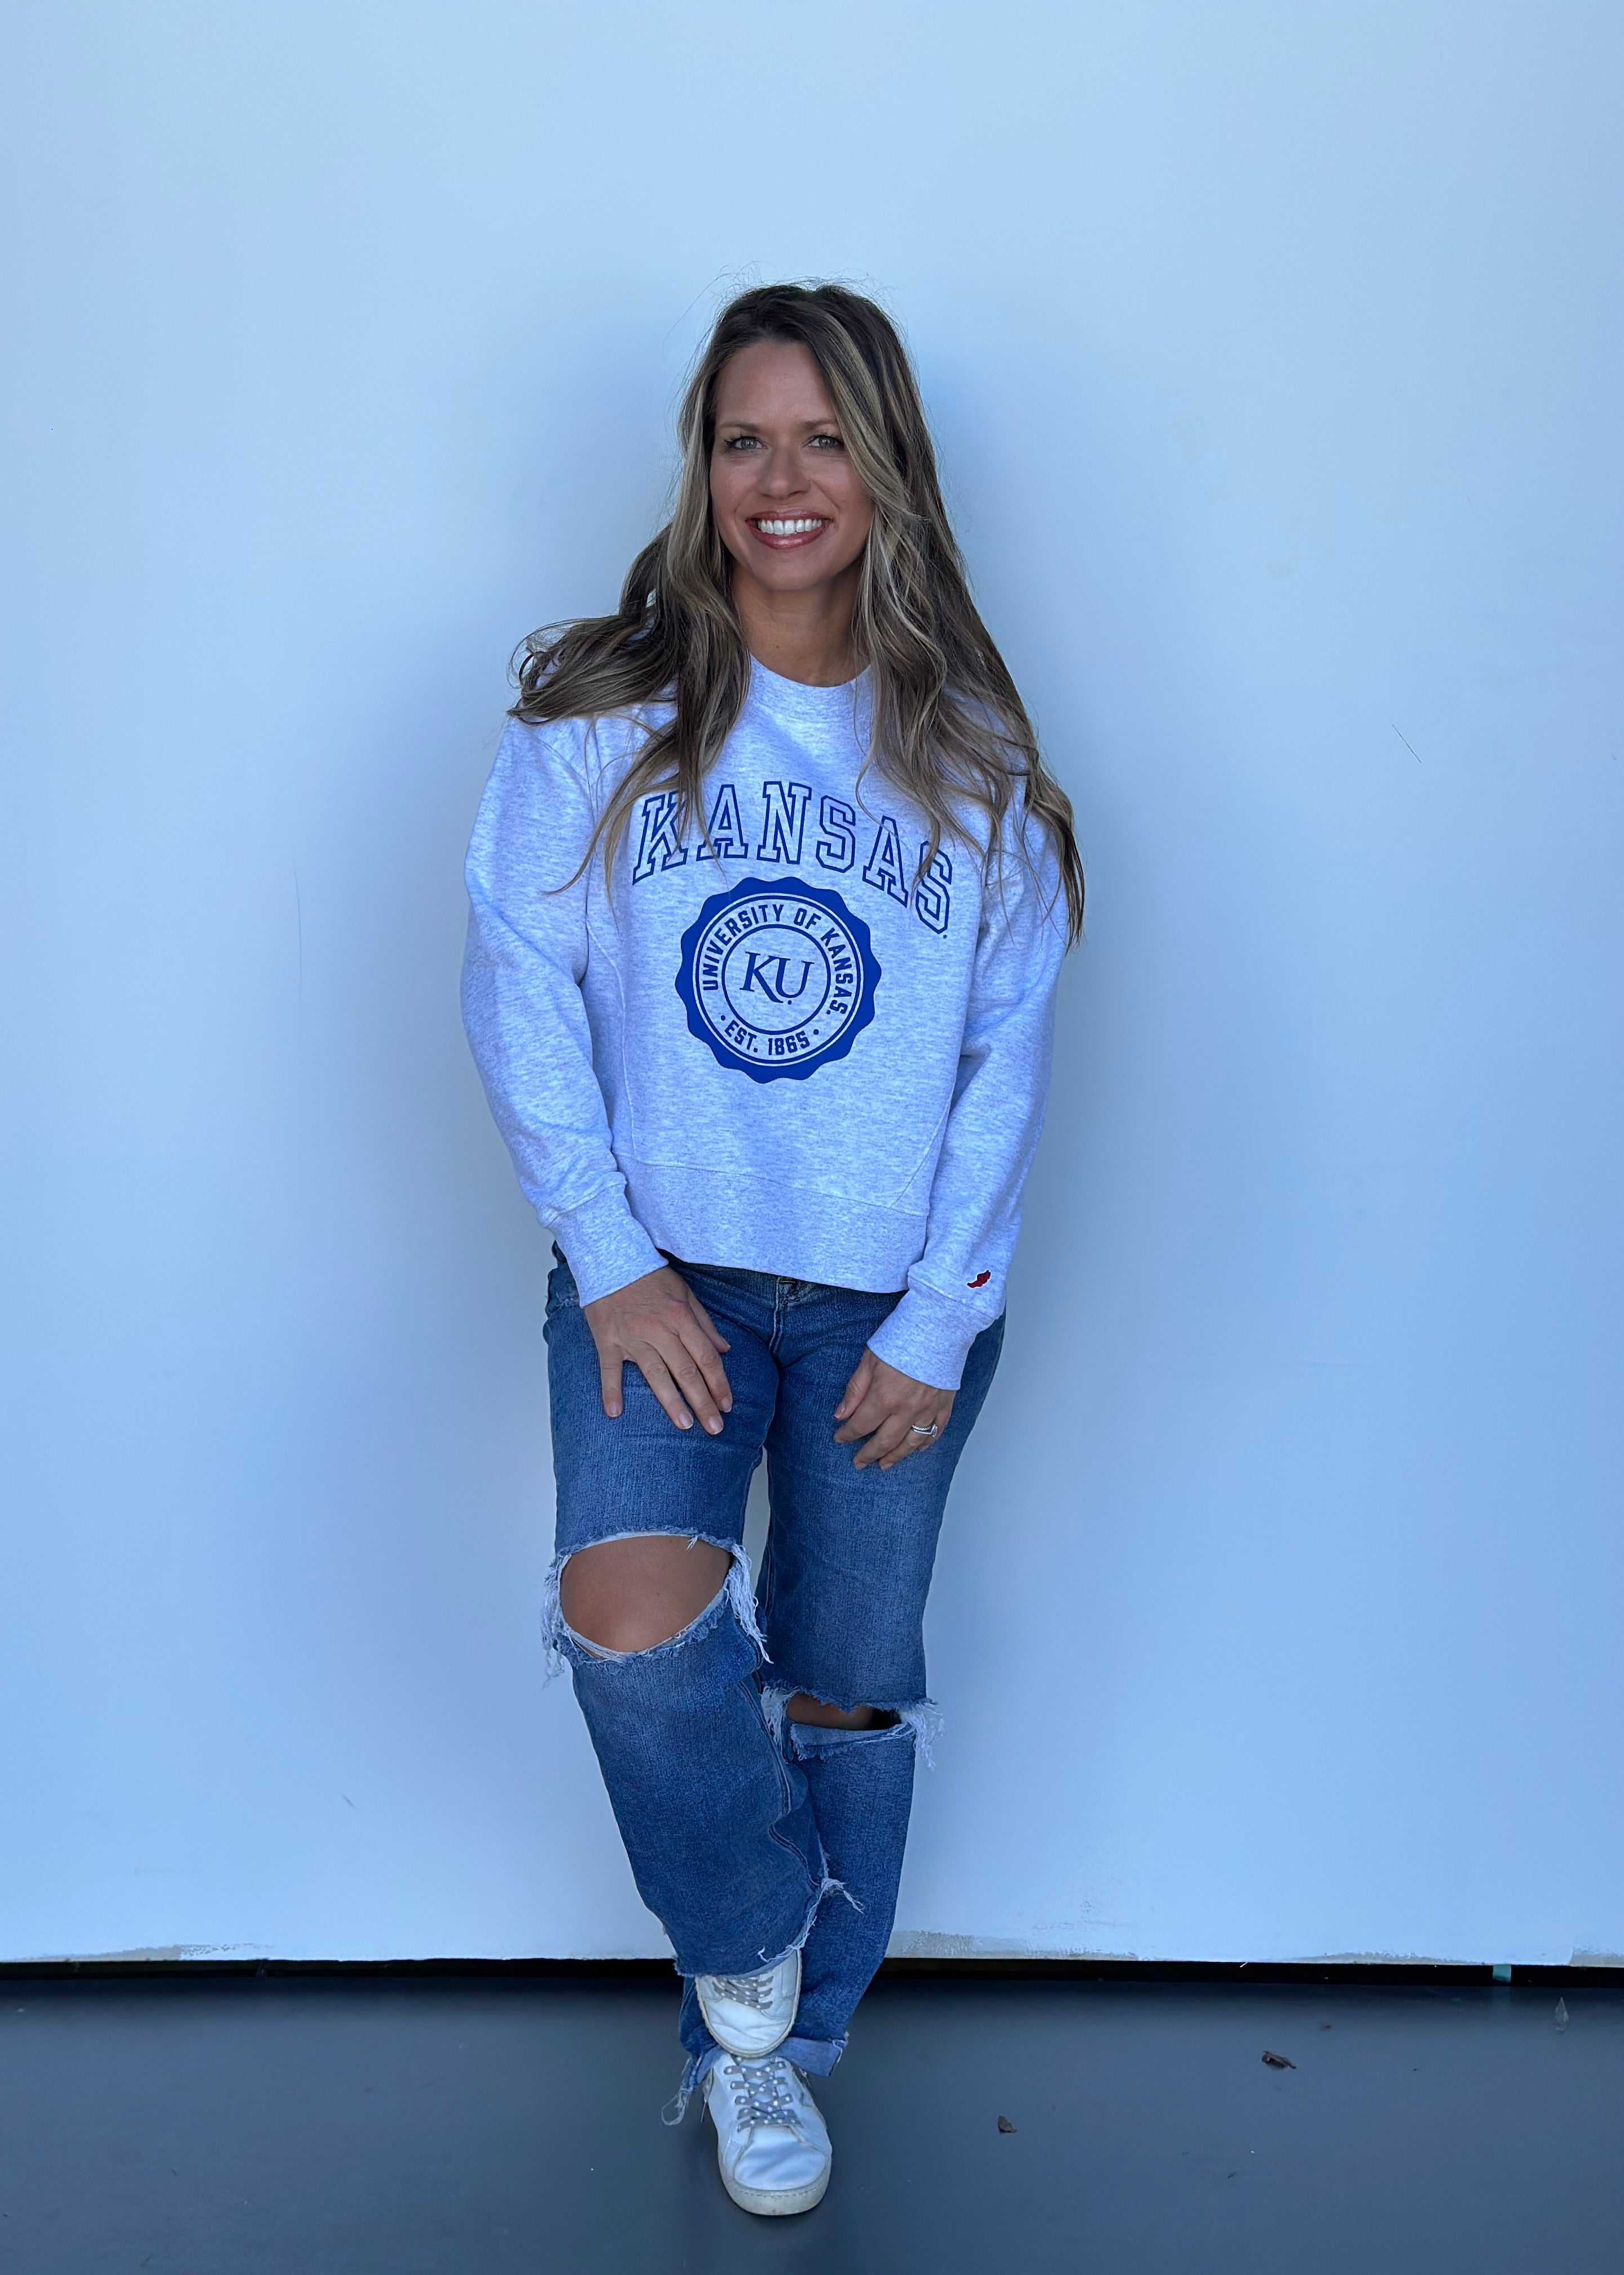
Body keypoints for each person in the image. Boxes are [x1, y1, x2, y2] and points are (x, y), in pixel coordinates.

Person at [462, 282, 1082, 2219]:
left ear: (885, 468)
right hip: (669, 1279)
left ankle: (772, 2074)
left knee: (848, 1679)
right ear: (703, 467)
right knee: (634, 1626)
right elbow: (516, 984)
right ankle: (756, 1962)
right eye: (746, 439)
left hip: (894, 1300)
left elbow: (1004, 1053)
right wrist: (609, 1252)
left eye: (824, 438)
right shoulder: (603, 719)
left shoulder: (967, 749)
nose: (781, 478)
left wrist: (943, 1313)